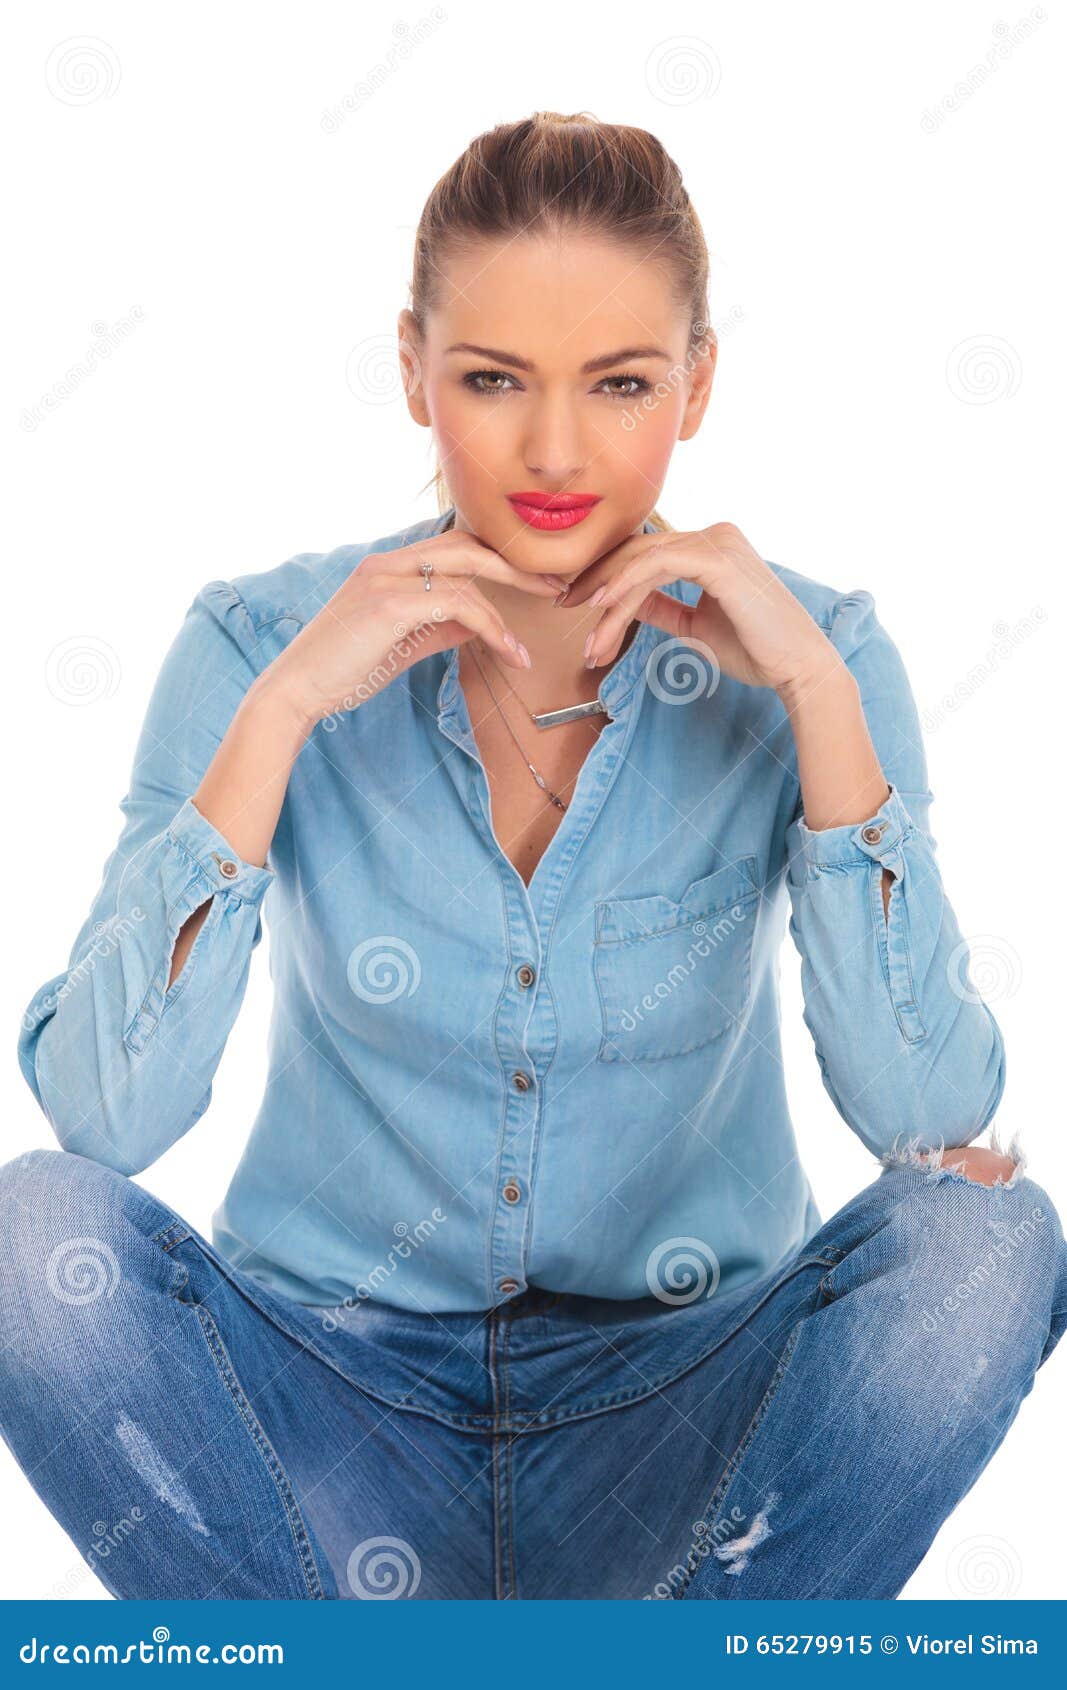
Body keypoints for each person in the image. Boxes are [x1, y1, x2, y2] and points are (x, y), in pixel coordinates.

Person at [4, 111, 1065, 1602]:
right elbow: (100, 1119)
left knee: (989, 1242)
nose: (555, 450)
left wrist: (819, 702)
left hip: (683, 1417)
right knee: (28, 1236)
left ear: (696, 384)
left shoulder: (818, 657)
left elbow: (930, 1110)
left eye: (620, 383)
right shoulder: (259, 644)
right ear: (411, 373)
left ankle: (697, 1649)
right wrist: (288, 711)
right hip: (327, 1401)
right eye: (493, 380)